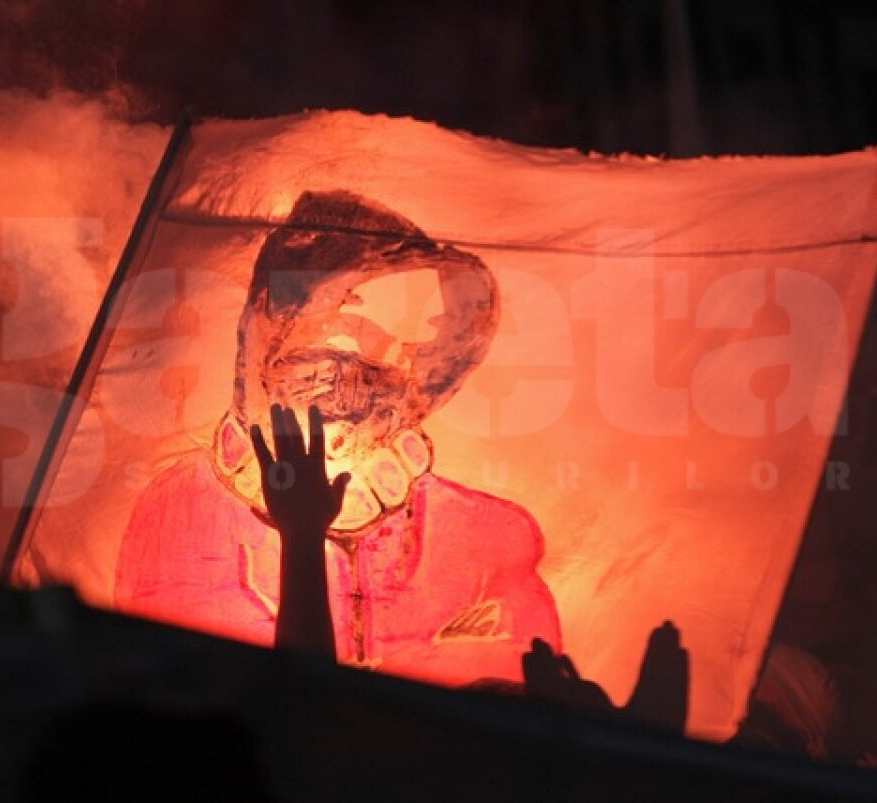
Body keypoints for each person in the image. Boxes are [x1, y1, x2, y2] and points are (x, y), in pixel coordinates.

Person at [113, 190, 561, 685]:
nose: (372, 362)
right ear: (265, 328)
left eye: (416, 336)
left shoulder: (490, 538)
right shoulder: (180, 512)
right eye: (346, 323)